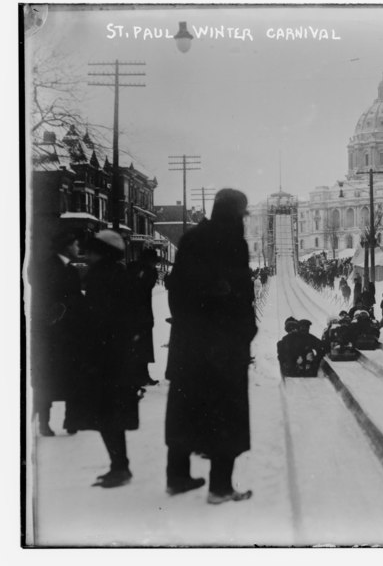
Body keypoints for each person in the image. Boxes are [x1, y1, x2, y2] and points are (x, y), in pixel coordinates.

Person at [164, 189, 256, 504]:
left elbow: (175, 290)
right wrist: (243, 334)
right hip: (224, 347)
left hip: (190, 345)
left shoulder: (191, 239)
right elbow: (241, 297)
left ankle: (177, 477)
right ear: (235, 215)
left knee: (184, 411)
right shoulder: (233, 244)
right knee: (226, 415)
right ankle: (220, 487)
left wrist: (189, 327)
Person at [72, 230, 141, 488]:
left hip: (105, 359)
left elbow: (100, 320)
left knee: (107, 414)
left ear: (102, 252)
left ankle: (120, 467)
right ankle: (119, 465)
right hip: (117, 357)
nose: (86, 255)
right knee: (111, 414)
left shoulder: (101, 277)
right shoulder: (118, 274)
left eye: (91, 250)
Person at [31, 229, 85, 436]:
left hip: (64, 333)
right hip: (54, 333)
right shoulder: (52, 268)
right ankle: (49, 422)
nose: (78, 248)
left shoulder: (64, 268)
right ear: (67, 246)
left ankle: (68, 420)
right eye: (75, 244)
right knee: (53, 376)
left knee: (64, 376)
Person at [127, 248, 160, 387]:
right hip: (139, 314)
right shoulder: (143, 271)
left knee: (142, 346)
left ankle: (142, 375)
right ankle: (139, 376)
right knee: (140, 346)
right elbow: (143, 287)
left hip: (141, 314)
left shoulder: (138, 269)